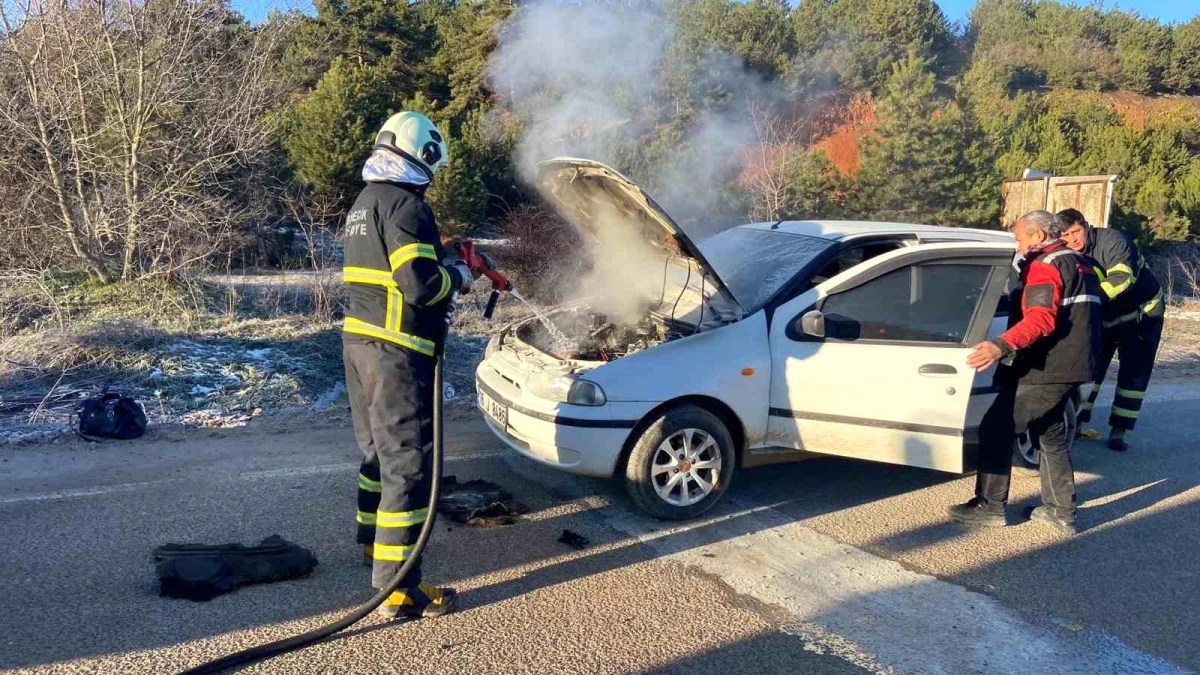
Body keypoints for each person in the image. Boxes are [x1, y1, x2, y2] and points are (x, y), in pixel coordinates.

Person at [342, 111, 477, 618]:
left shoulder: (366, 201)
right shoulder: (407, 204)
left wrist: (441, 255)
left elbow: (394, 264)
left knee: (377, 453)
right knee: (409, 465)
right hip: (397, 353)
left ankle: (370, 542)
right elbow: (422, 287)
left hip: (359, 345)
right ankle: (397, 588)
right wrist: (460, 275)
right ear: (425, 153)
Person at [948, 210, 1102, 535]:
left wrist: (999, 345)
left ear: (1038, 236)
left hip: (1047, 366)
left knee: (995, 428)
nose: (1018, 247)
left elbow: (1041, 320)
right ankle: (1061, 512)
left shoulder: (1046, 266)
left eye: (1020, 239)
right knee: (1050, 433)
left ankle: (989, 507)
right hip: (1076, 363)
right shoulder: (1082, 262)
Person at [1058, 208, 1164, 452]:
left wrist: (1087, 302)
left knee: (1133, 374)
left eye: (1076, 232)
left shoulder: (1113, 241)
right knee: (1090, 369)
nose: (1073, 239)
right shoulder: (1065, 252)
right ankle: (1079, 423)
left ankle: (1120, 430)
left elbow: (1121, 279)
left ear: (1086, 226)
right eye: (1066, 235)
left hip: (1141, 314)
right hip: (1103, 316)